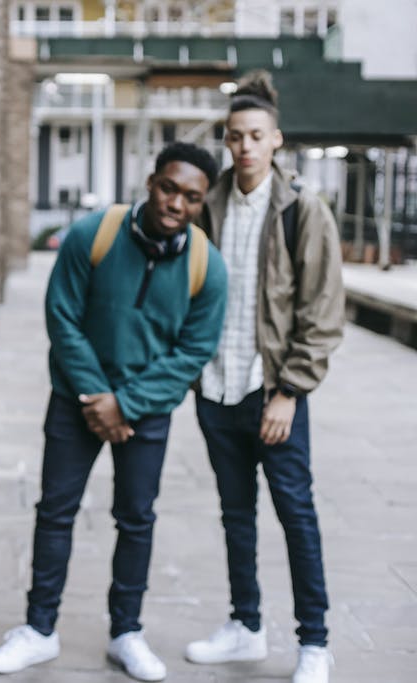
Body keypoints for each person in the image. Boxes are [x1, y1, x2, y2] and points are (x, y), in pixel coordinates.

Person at [0, 142, 227, 682]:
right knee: (56, 510)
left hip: (147, 411)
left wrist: (127, 403)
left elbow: (193, 352)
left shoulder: (208, 266)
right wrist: (97, 397)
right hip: (76, 401)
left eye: (191, 197)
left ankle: (127, 632)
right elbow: (62, 316)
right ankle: (39, 631)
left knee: (136, 519)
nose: (176, 204)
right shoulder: (96, 233)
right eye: (169, 188)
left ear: (201, 203)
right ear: (150, 181)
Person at [184, 71, 344, 683]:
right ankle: (245, 626)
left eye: (256, 135)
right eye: (234, 136)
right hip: (218, 391)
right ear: (226, 142)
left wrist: (290, 392)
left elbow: (321, 313)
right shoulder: (209, 206)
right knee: (235, 515)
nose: (245, 146)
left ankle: (315, 641)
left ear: (276, 139)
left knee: (295, 514)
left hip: (274, 394)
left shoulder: (304, 211)